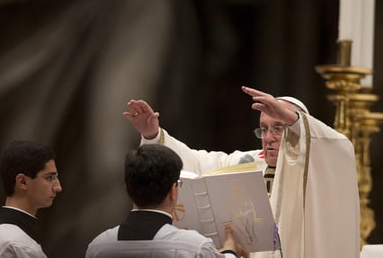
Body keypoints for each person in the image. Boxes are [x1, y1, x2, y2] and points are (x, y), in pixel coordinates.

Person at [123, 86, 360, 258]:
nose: (268, 138)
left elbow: (338, 149)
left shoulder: (315, 169)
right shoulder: (245, 161)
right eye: (264, 129)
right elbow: (193, 162)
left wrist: (293, 119)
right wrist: (153, 134)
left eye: (279, 128)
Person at [85, 144, 247, 258]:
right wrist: (230, 252)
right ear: (173, 191)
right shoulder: (194, 248)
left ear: (127, 187)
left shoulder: (99, 247)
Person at [0, 140, 63, 258]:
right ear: (23, 182)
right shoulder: (16, 244)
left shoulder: (6, 236)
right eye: (50, 177)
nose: (58, 187)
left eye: (56, 177)